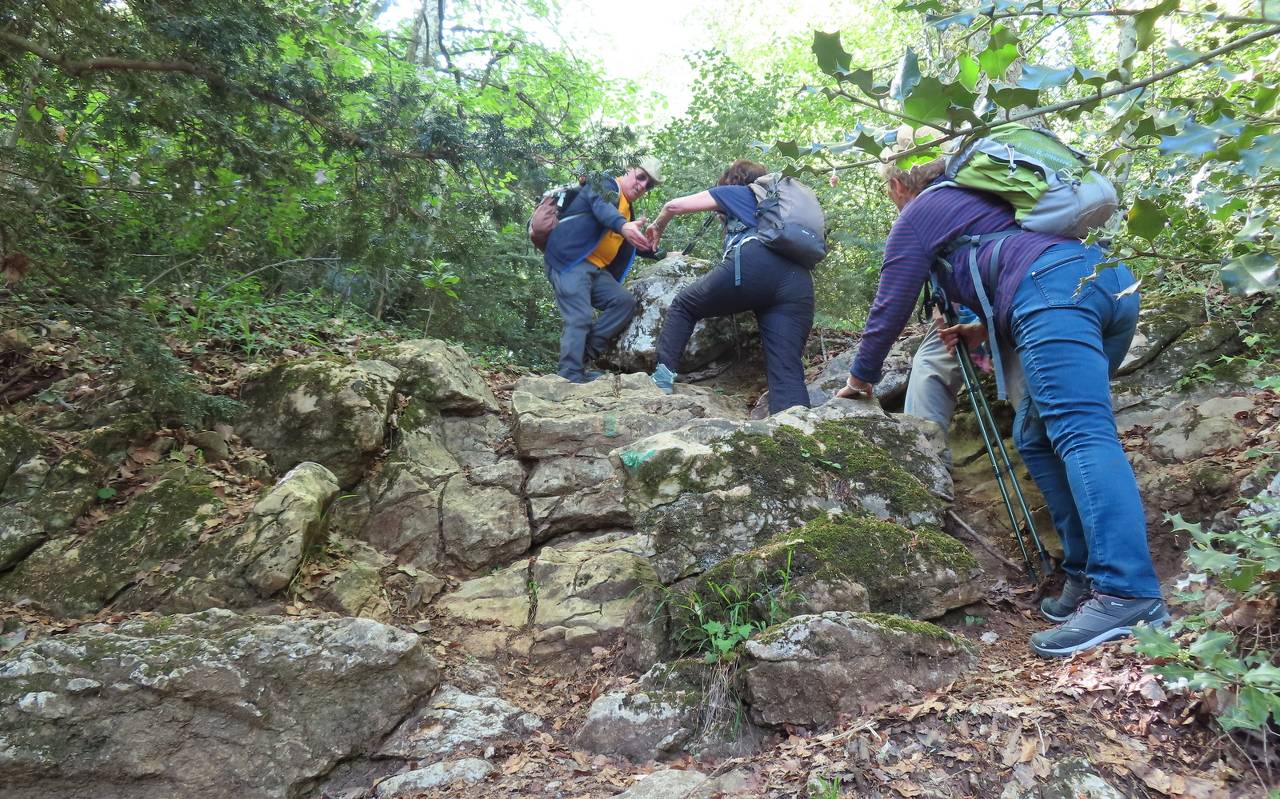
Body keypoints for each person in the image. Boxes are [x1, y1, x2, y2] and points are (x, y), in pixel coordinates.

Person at [836, 154, 1167, 658]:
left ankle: (1126, 591)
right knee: (1037, 435)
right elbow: (1012, 262)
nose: (894, 207)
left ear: (902, 187)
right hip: (1107, 283)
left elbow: (890, 304)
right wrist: (976, 329)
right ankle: (1083, 575)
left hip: (1056, 293)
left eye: (891, 196)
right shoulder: (991, 202)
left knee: (1081, 432)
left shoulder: (923, 212)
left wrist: (861, 379)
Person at [644, 160, 815, 414]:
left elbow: (674, 205)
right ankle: (798, 434)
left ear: (732, 181)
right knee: (786, 370)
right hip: (797, 281)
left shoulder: (739, 192)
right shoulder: (774, 207)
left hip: (755, 264)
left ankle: (661, 380)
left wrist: (657, 225)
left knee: (685, 304)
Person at [543, 158, 662, 383]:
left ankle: (582, 359)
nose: (643, 186)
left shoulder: (627, 210)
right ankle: (569, 376)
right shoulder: (604, 183)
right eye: (641, 177)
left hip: (596, 270)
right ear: (627, 169)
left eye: (649, 185)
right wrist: (623, 225)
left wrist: (663, 254)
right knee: (580, 317)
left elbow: (633, 243)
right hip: (570, 262)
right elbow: (602, 208)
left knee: (623, 302)